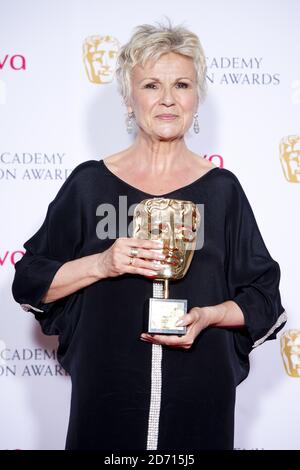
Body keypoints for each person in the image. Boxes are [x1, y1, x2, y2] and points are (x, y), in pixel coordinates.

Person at [12, 20, 286, 450]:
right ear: (127, 98)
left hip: (200, 402)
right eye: (151, 85)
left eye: (181, 85)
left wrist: (209, 316)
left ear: (197, 98)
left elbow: (265, 298)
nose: (167, 100)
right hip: (106, 402)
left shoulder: (222, 191)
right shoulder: (89, 185)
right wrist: (102, 263)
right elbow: (29, 279)